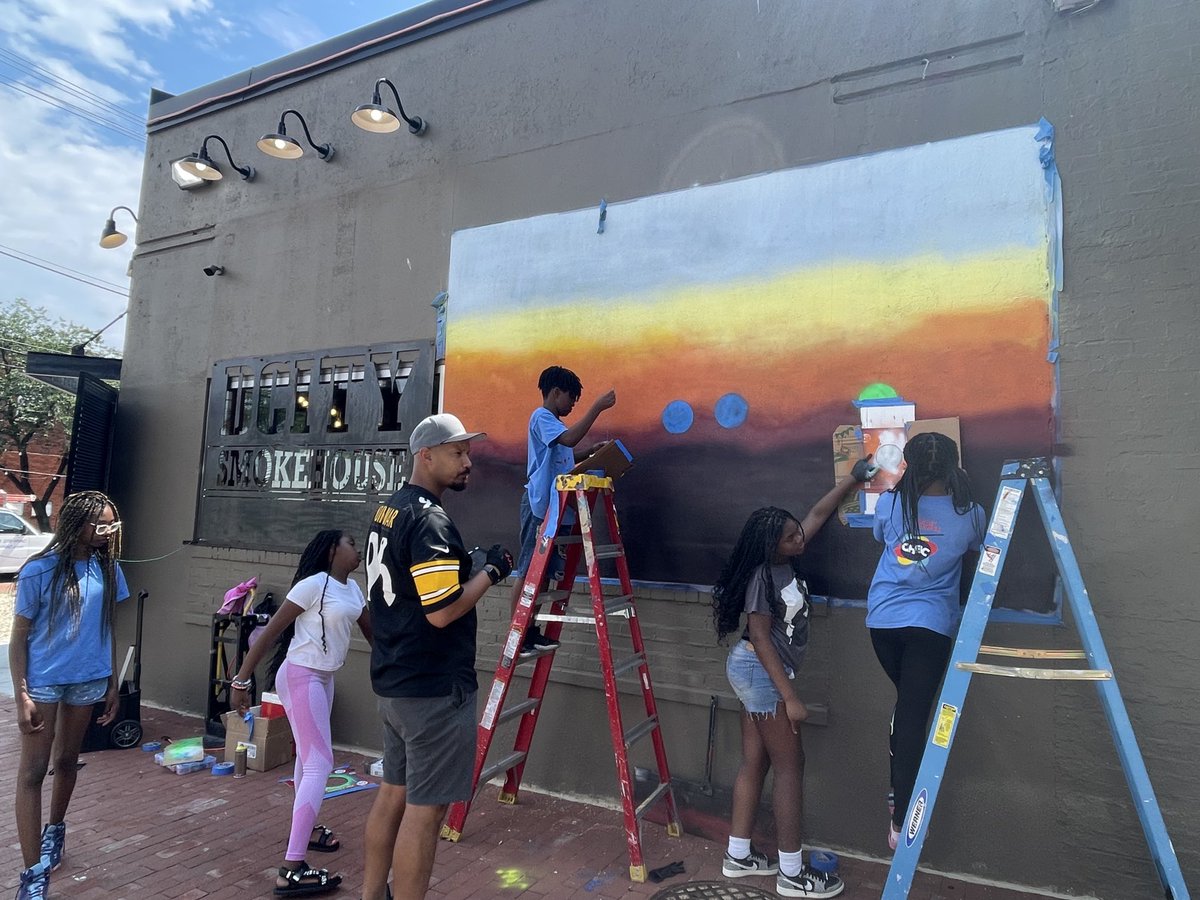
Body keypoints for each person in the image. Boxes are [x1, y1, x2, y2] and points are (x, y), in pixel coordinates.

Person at [361, 413, 513, 900]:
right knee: (425, 815)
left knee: (393, 795)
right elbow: (442, 613)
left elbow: (416, 585)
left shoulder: (390, 509)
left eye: (468, 452)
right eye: (458, 453)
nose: (468, 462)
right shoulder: (430, 520)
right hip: (431, 689)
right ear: (425, 455)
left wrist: (465, 564)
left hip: (395, 680)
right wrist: (491, 570)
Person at [712, 460, 875, 899]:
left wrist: (854, 479)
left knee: (757, 761)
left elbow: (818, 515)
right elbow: (762, 638)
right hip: (761, 672)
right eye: (790, 536)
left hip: (757, 672)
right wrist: (791, 698)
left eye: (796, 532)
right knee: (790, 765)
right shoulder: (763, 577)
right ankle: (791, 873)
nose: (799, 537)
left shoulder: (783, 558)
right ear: (772, 545)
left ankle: (739, 856)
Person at [228, 529, 372, 897]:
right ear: (330, 552)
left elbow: (377, 638)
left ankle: (306, 832)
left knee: (308, 759)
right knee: (320, 763)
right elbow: (268, 634)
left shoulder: (353, 590)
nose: (357, 549)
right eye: (351, 543)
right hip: (300, 675)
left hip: (324, 679)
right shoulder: (313, 585)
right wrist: (241, 681)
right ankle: (290, 869)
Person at [865, 432, 984, 851]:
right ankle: (901, 823)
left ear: (908, 467)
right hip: (931, 626)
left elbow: (883, 540)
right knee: (914, 713)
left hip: (883, 622)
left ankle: (899, 798)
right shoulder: (969, 513)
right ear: (955, 467)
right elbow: (973, 547)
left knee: (908, 710)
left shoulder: (891, 503)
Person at [9, 491, 129, 900]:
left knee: (66, 761)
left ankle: (55, 831)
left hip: (88, 680)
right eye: (102, 524)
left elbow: (108, 626)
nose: (109, 531)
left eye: (113, 523)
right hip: (42, 681)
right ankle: (33, 874)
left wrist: (113, 682)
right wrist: (21, 694)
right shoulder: (38, 571)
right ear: (77, 524)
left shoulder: (108, 568)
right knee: (32, 772)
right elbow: (17, 640)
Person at [509, 366, 616, 656]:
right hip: (540, 506)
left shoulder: (554, 426)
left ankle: (530, 632)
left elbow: (567, 452)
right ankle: (517, 634)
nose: (572, 405)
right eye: (571, 398)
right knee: (529, 569)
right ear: (555, 392)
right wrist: (597, 408)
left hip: (556, 510)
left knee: (542, 574)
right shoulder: (542, 417)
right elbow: (568, 440)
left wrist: (592, 450)